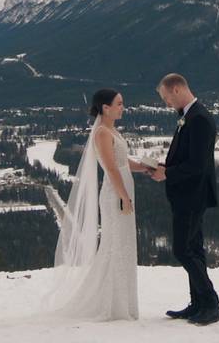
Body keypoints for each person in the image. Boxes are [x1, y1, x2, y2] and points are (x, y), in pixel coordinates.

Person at [43, 88, 152, 321]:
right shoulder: (102, 133)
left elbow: (122, 162)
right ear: (106, 107)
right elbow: (111, 169)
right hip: (115, 193)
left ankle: (120, 301)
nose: (123, 108)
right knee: (114, 244)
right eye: (119, 104)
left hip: (122, 189)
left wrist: (146, 168)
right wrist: (123, 195)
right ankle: (111, 303)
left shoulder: (111, 130)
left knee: (123, 244)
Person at [151, 73, 219, 326]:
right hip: (187, 194)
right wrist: (163, 166)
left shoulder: (199, 118)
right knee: (194, 249)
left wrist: (167, 173)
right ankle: (198, 304)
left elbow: (198, 165)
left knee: (182, 250)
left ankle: (211, 303)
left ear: (178, 89)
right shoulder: (190, 116)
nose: (166, 103)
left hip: (193, 195)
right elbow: (186, 158)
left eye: (166, 98)